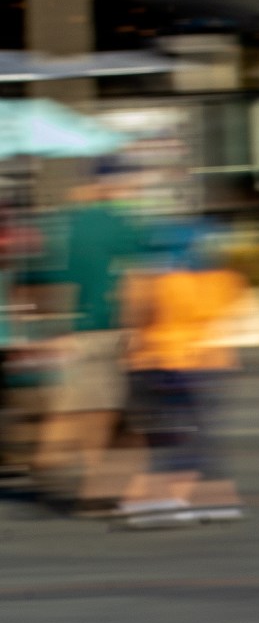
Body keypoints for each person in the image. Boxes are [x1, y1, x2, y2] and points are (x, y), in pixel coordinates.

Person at [27, 168, 149, 512]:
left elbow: (38, 280)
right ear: (101, 184)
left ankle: (71, 470)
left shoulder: (52, 225)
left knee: (77, 404)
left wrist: (47, 329)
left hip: (65, 332)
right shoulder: (118, 223)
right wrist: (138, 329)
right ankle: (68, 469)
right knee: (100, 409)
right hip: (105, 328)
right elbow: (136, 278)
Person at [116, 221, 249, 527]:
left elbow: (138, 317)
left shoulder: (159, 280)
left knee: (169, 437)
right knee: (201, 435)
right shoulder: (226, 279)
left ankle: (157, 501)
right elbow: (230, 315)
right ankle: (217, 500)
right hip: (213, 363)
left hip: (162, 363)